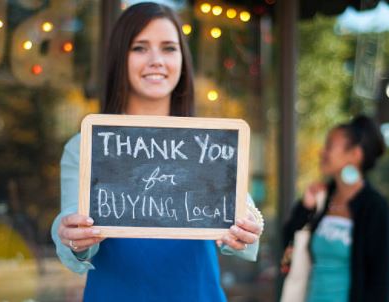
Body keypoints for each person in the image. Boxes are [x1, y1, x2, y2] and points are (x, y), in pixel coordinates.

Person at [51, 3, 263, 301]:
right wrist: (71, 236)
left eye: (168, 48)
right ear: (119, 58)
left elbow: (242, 215)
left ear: (182, 60)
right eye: (139, 48)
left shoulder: (209, 143)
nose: (156, 60)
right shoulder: (85, 145)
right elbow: (72, 229)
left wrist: (248, 227)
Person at [282, 115, 389, 302]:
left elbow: (381, 285)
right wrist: (305, 209)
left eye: (329, 146)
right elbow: (287, 250)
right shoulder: (322, 200)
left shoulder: (376, 209)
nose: (322, 152)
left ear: (355, 155)